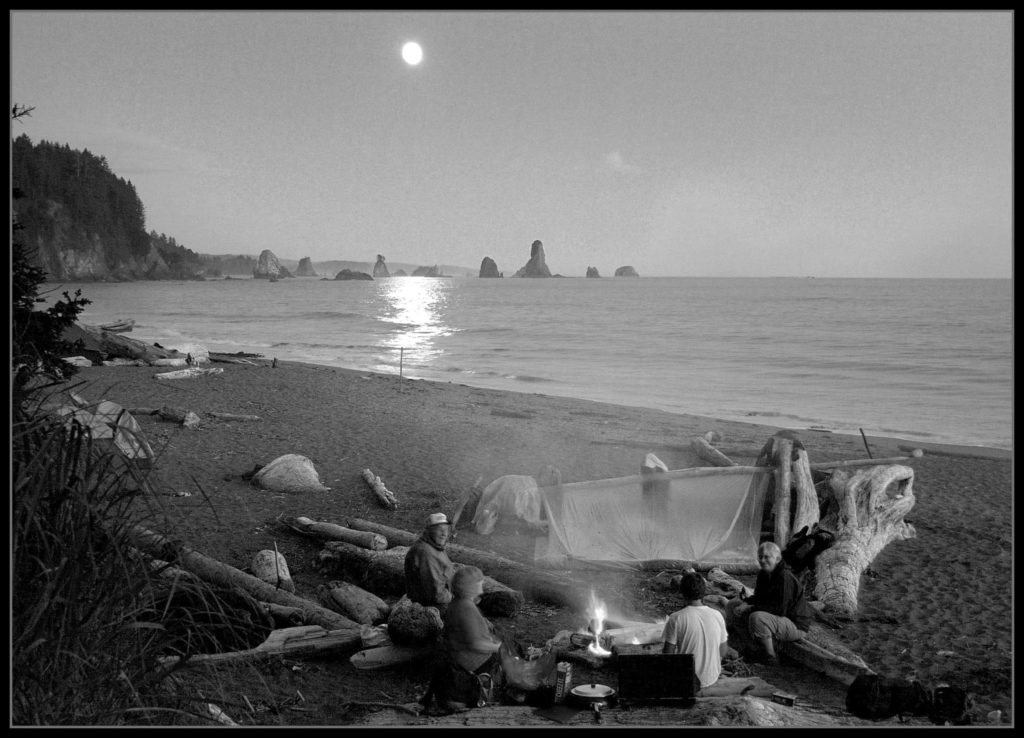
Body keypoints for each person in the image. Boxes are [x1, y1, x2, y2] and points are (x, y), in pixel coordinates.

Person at [726, 541, 814, 664]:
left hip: (795, 623)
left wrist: (750, 608)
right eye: (760, 556)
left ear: (777, 558)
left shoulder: (784, 577)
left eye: (767, 557)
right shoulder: (764, 573)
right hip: (777, 617)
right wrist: (746, 603)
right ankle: (752, 646)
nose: (762, 560)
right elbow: (758, 597)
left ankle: (771, 656)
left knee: (757, 617)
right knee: (733, 605)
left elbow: (779, 609)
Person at [662, 571, 730, 691]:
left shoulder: (676, 618)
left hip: (687, 681)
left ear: (682, 593)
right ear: (704, 592)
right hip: (711, 677)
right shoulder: (717, 615)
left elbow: (668, 656)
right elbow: (723, 651)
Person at [442, 566, 502, 674]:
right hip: (472, 662)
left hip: (457, 658)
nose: (482, 583)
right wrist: (499, 647)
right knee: (511, 657)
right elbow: (475, 644)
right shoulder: (466, 607)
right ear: (470, 586)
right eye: (479, 581)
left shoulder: (457, 602)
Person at [404, 512, 456, 614]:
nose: (444, 534)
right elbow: (437, 595)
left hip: (441, 600)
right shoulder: (425, 553)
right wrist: (456, 597)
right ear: (429, 531)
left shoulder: (435, 546)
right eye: (439, 530)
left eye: (446, 530)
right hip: (432, 608)